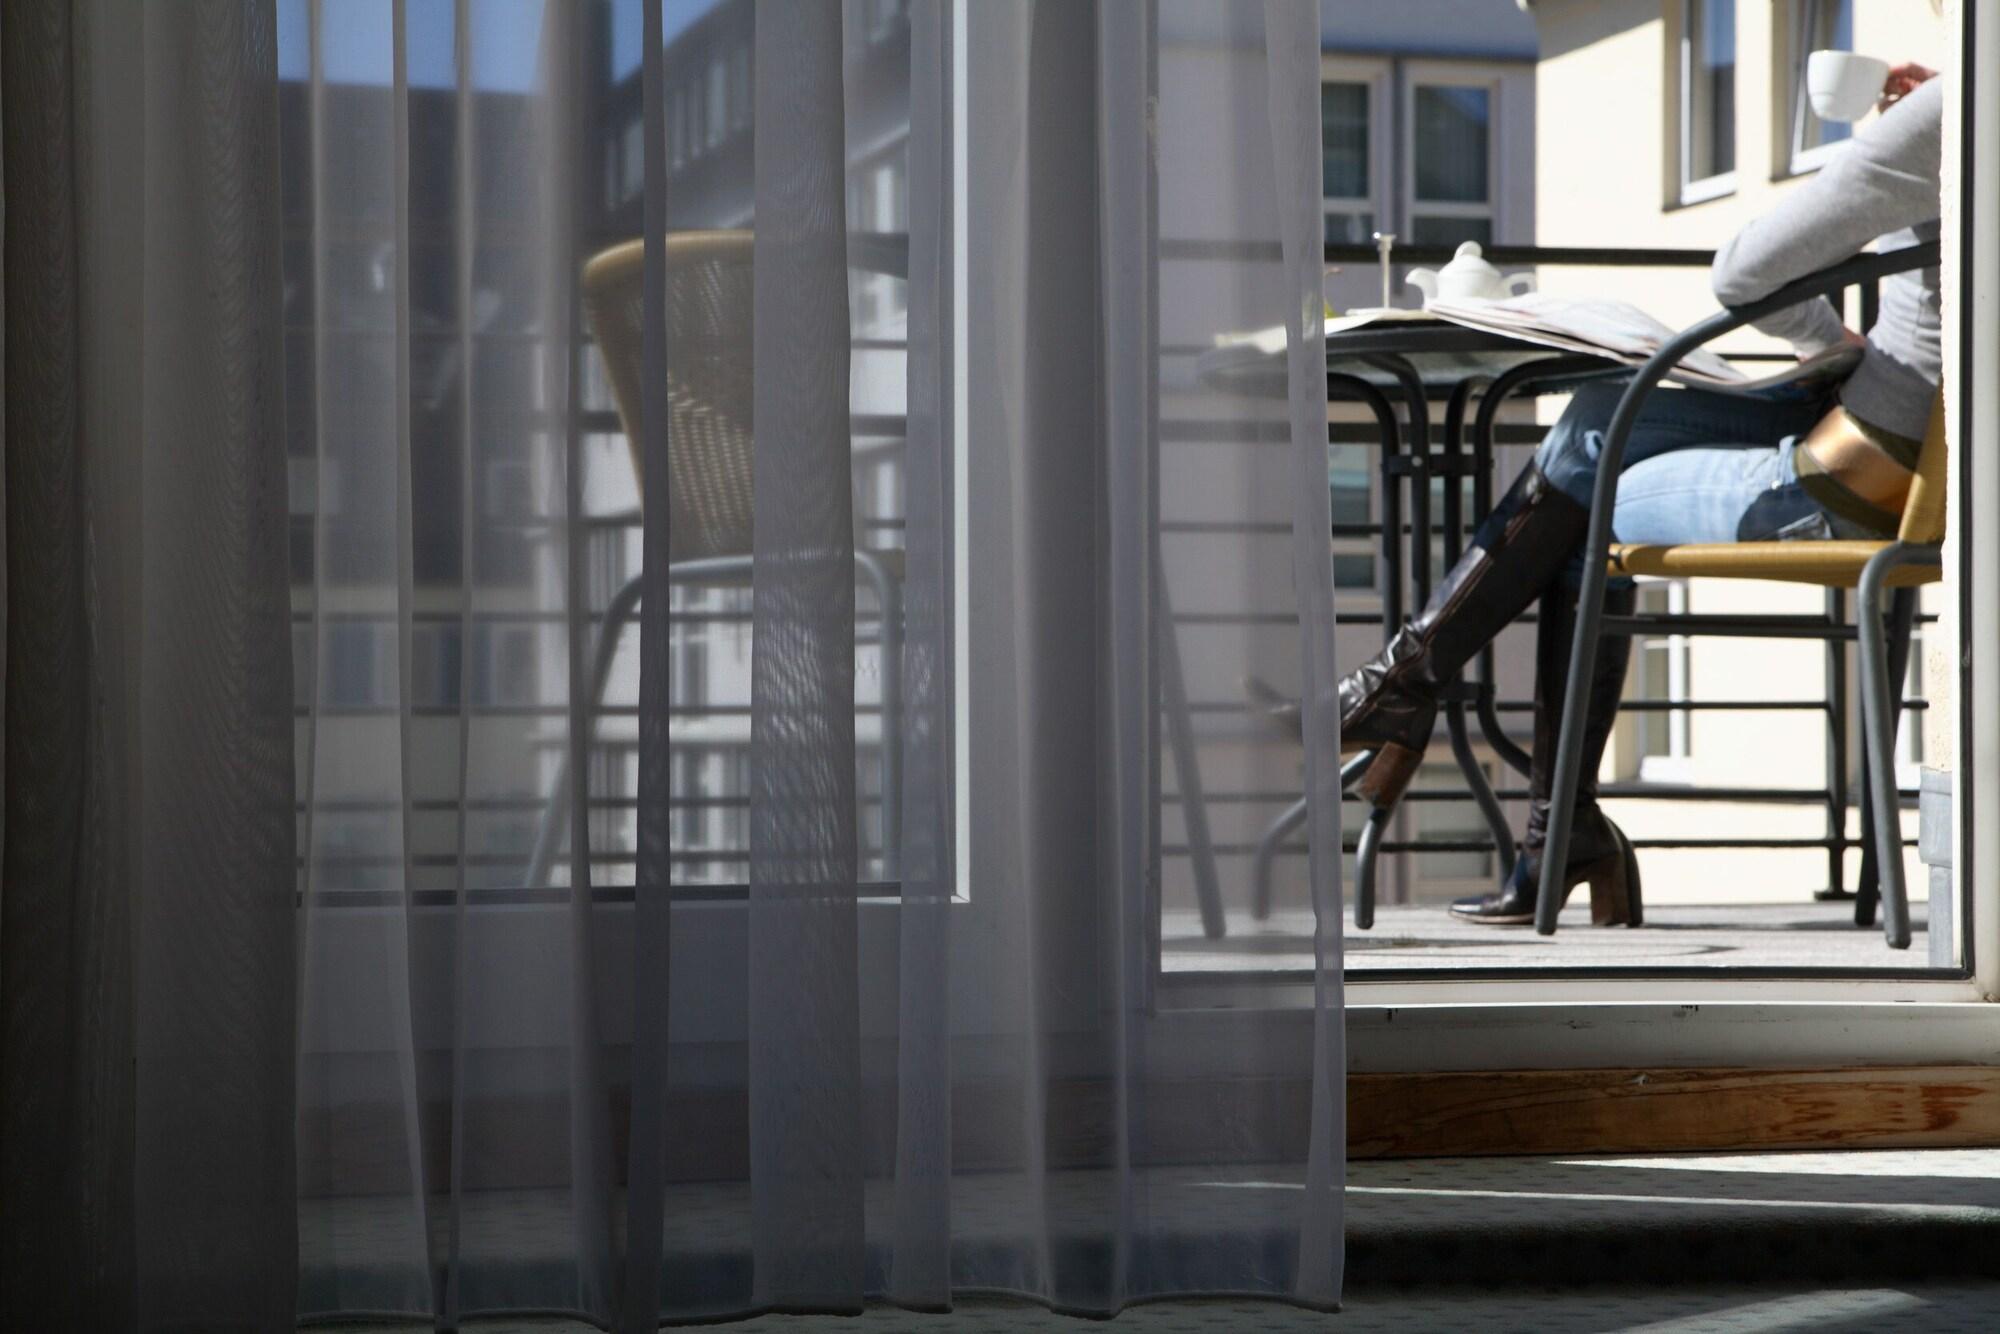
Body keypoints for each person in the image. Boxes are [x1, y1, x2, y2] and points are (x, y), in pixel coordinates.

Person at [1336, 66, 1944, 927]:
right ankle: (1486, 764)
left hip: (1856, 474)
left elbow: (1745, 271)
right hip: (1907, 446)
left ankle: (1424, 707)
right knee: (1592, 422)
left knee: (1586, 473)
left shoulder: (1956, 107)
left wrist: (1829, 335)